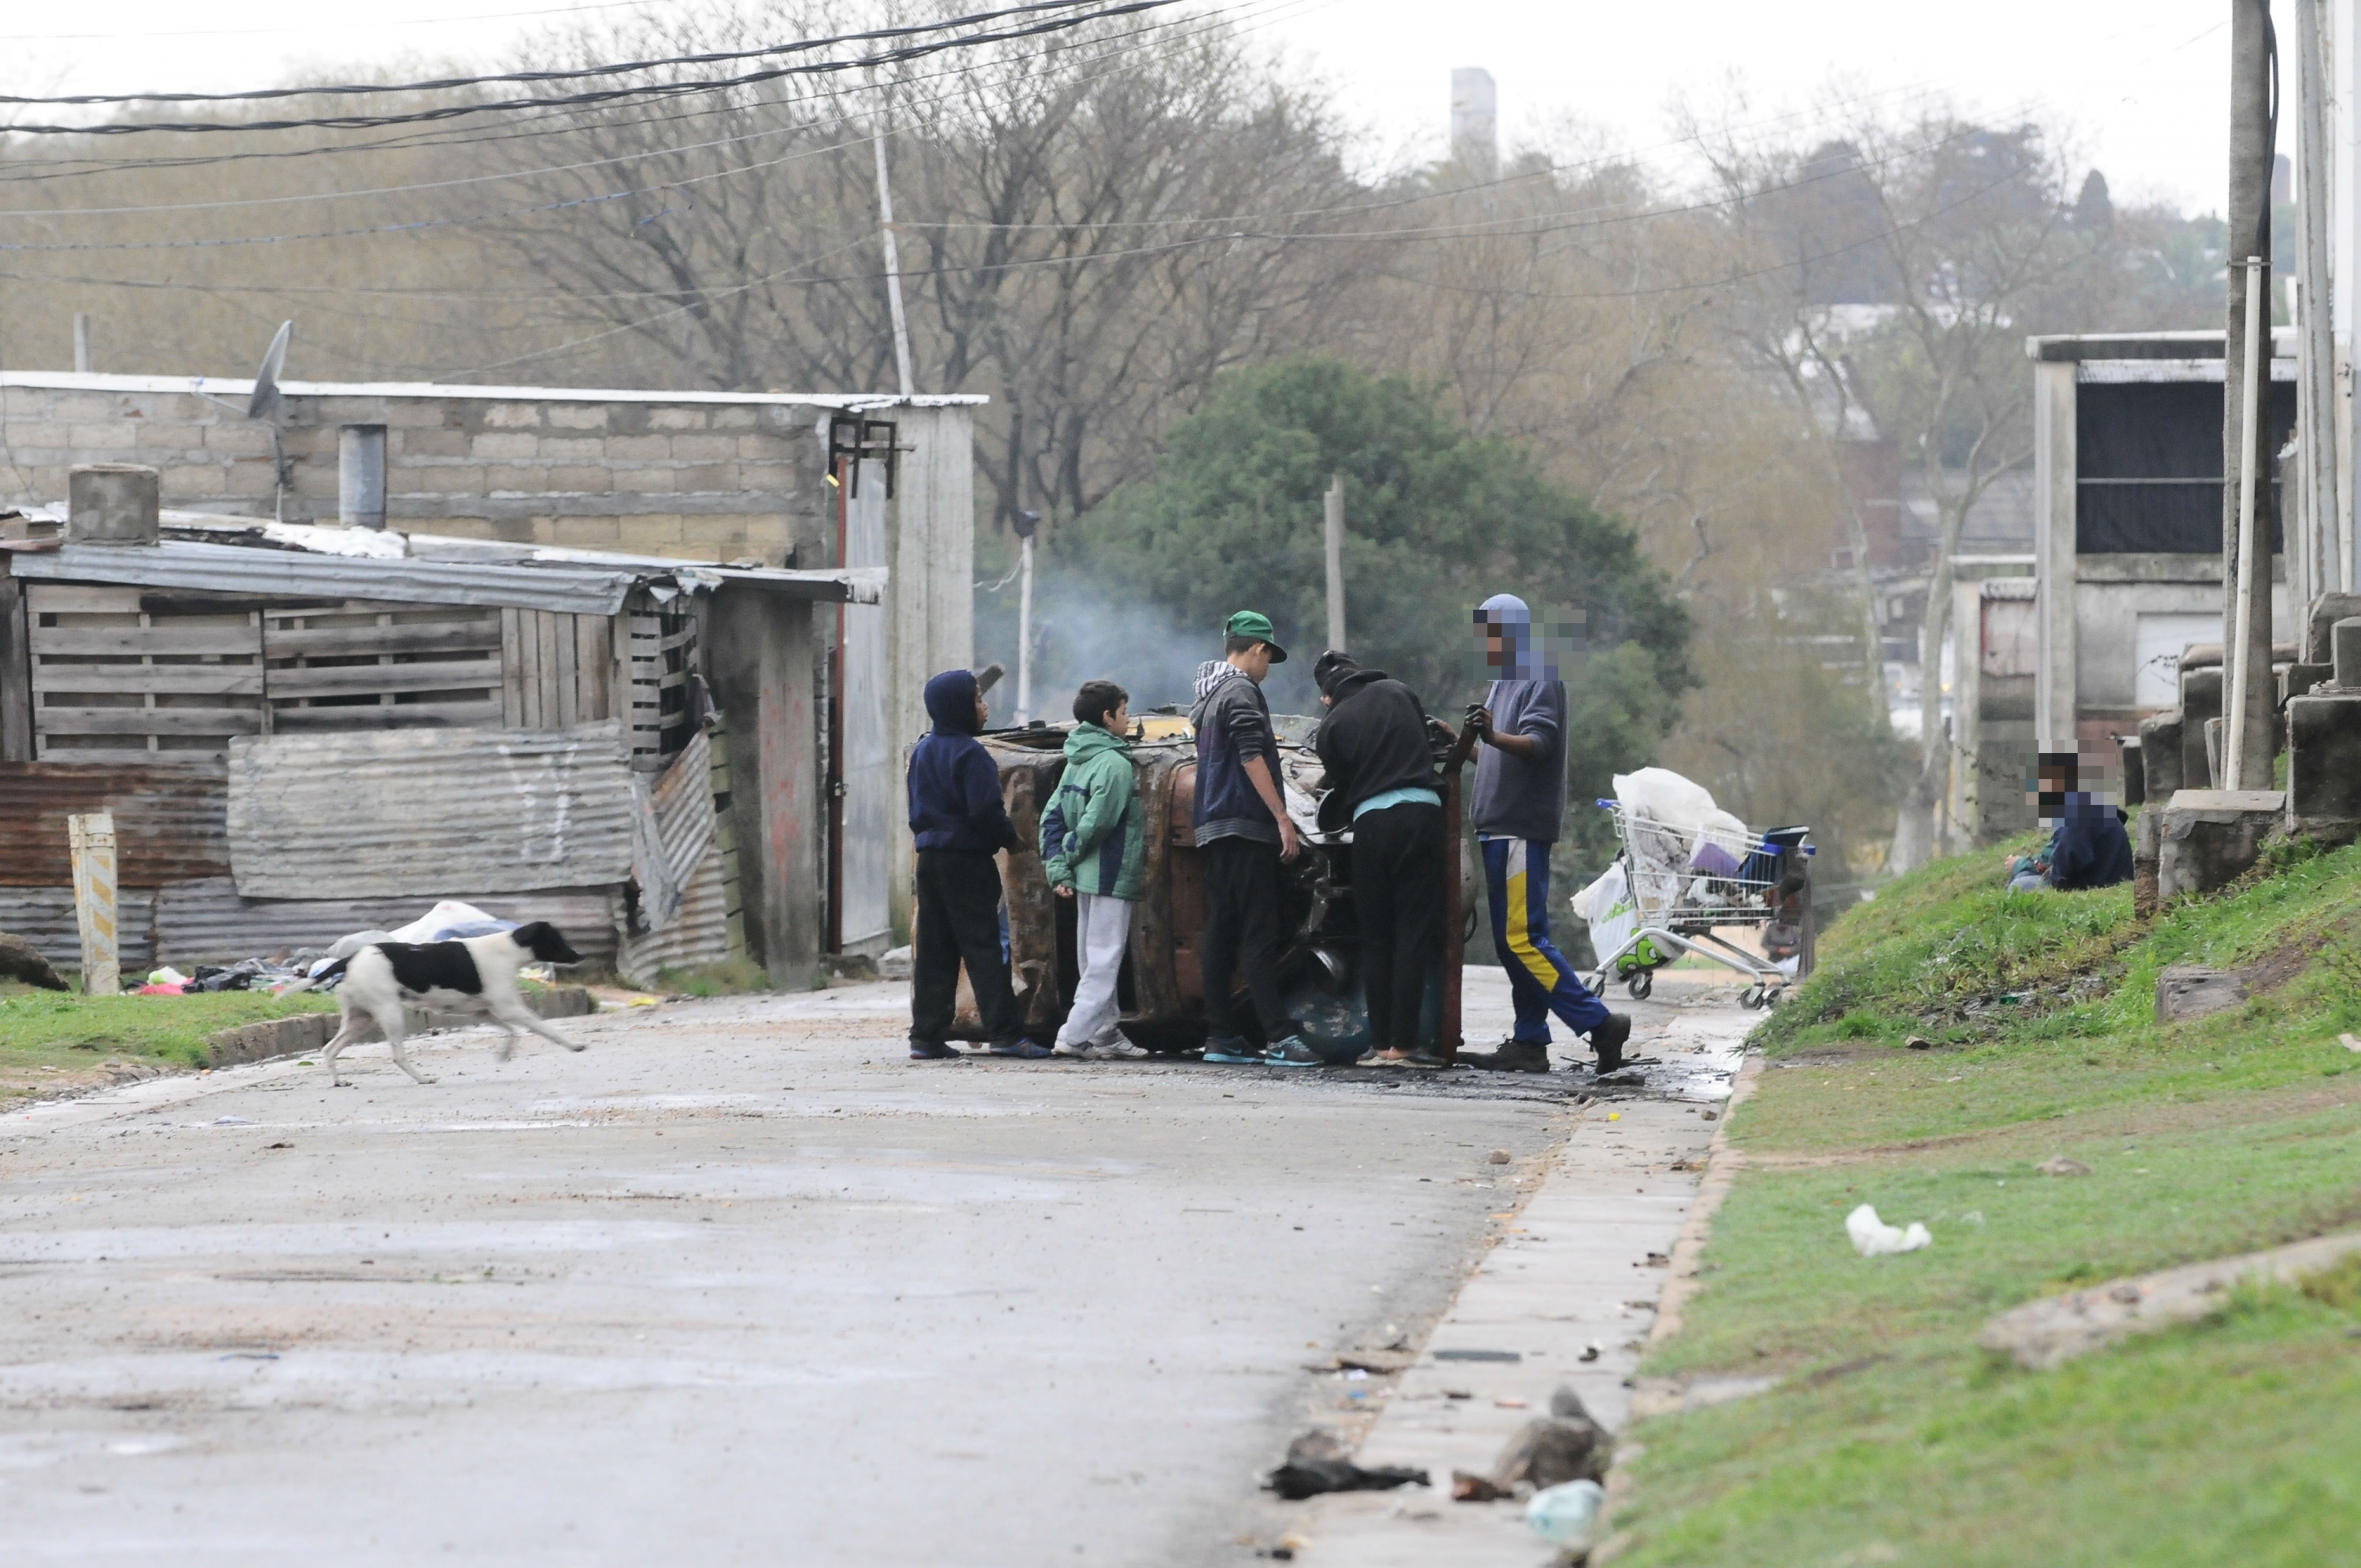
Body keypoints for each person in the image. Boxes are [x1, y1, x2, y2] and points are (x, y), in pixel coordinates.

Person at [1458, 594, 1632, 1076]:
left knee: (1523, 939)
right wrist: (1463, 746)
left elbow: (1538, 743)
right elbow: (1499, 755)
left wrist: (1492, 737)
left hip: (1519, 828)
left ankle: (1600, 1024)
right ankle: (1530, 1041)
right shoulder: (1502, 681)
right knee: (1513, 940)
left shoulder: (1541, 673)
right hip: (1497, 827)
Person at [1190, 611, 1321, 1068]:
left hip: (1211, 827)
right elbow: (1251, 758)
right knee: (1259, 933)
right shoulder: (1243, 691)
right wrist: (1282, 818)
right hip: (1245, 826)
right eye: (1269, 658)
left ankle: (1221, 1036)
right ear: (1258, 649)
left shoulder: (1207, 697)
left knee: (1222, 933)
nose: (1269, 668)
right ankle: (1280, 1037)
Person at [906, 668, 1051, 1061]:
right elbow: (985, 811)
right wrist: (1011, 840)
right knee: (984, 948)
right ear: (958, 707)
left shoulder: (922, 751)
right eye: (977, 701)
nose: (985, 707)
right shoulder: (972, 753)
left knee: (935, 951)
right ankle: (1006, 1034)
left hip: (930, 861)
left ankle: (926, 1037)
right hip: (967, 863)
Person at [1313, 650, 1446, 1067]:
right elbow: (1426, 744)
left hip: (1370, 825)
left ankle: (1381, 1045)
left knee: (1376, 936)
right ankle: (1406, 1046)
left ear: (1327, 697)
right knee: (1413, 931)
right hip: (1421, 816)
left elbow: (1335, 786)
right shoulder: (1397, 691)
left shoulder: (1330, 725)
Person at [1041, 680, 1148, 1061]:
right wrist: (1068, 858)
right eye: (1124, 712)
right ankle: (1074, 1035)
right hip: (1111, 872)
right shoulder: (1116, 764)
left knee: (1093, 957)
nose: (1128, 719)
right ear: (1107, 717)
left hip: (1088, 876)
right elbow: (1097, 823)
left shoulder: (1077, 760)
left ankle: (1105, 1033)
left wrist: (1061, 868)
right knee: (1104, 958)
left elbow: (1052, 818)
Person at [2006, 751, 2134, 892]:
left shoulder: (2080, 818)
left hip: (2093, 889)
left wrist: (2020, 867)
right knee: (2024, 875)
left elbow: (2060, 877)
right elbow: (2052, 856)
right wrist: (2024, 864)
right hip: (2098, 882)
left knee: (2020, 886)